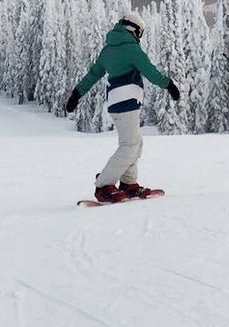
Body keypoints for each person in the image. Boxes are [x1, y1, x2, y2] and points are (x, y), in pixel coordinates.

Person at [65, 12, 181, 203]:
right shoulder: (131, 49)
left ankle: (129, 184)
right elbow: (150, 71)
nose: (139, 37)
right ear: (133, 29)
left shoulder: (108, 50)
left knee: (135, 143)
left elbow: (93, 75)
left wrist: (76, 94)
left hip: (117, 102)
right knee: (129, 145)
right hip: (127, 100)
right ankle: (103, 185)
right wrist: (169, 85)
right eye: (139, 33)